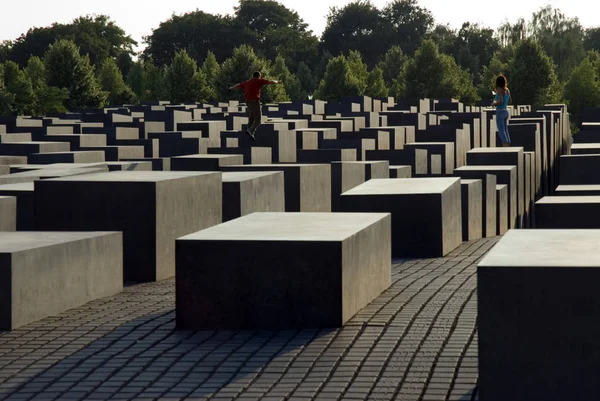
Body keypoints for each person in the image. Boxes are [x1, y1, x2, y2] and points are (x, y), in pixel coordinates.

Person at [229, 72, 280, 140]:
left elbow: (238, 85)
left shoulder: (247, 82)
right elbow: (270, 81)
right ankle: (250, 130)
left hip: (248, 102)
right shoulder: (259, 81)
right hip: (254, 102)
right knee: (258, 120)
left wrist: (231, 88)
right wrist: (277, 81)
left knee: (252, 116)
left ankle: (250, 131)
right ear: (258, 76)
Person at [492, 74, 511, 147]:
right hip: (505, 111)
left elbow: (500, 101)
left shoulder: (499, 89)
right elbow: (507, 101)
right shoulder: (507, 90)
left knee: (501, 130)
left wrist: (494, 103)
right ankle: (508, 144)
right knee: (505, 130)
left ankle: (505, 145)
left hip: (500, 111)